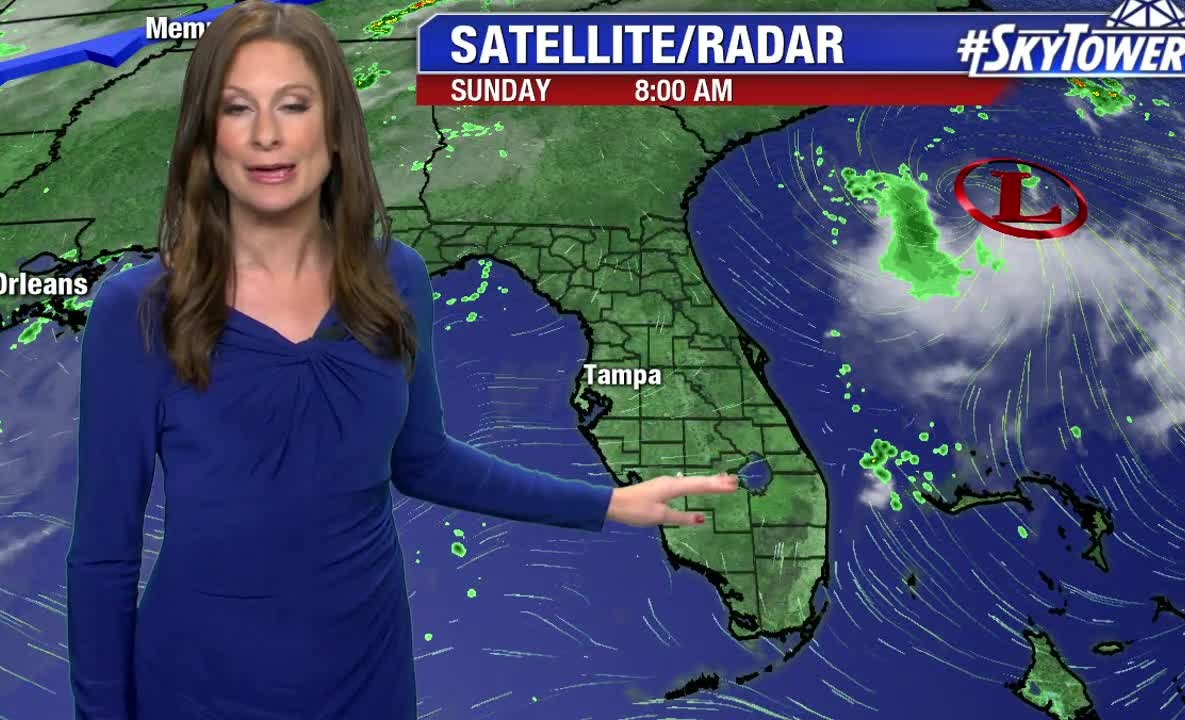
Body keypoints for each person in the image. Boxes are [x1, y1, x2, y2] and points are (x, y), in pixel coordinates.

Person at [66, 2, 740, 718]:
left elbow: (424, 461)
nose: (267, 135)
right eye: (238, 108)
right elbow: (104, 556)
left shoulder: (396, 279)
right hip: (199, 688)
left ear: (334, 129)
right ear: (206, 135)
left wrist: (607, 504)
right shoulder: (137, 312)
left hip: (367, 678)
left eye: (293, 105)